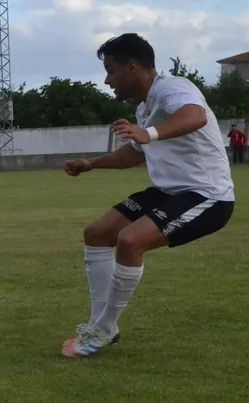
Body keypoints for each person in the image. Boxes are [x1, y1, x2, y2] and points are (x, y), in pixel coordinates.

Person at [61, 33, 234, 358]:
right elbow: (135, 153)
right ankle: (100, 324)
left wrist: (149, 133)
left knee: (130, 240)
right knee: (97, 233)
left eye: (111, 71)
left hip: (206, 195)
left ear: (132, 67)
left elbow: (195, 116)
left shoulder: (173, 88)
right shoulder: (145, 107)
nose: (107, 81)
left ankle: (103, 328)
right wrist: (91, 164)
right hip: (167, 192)